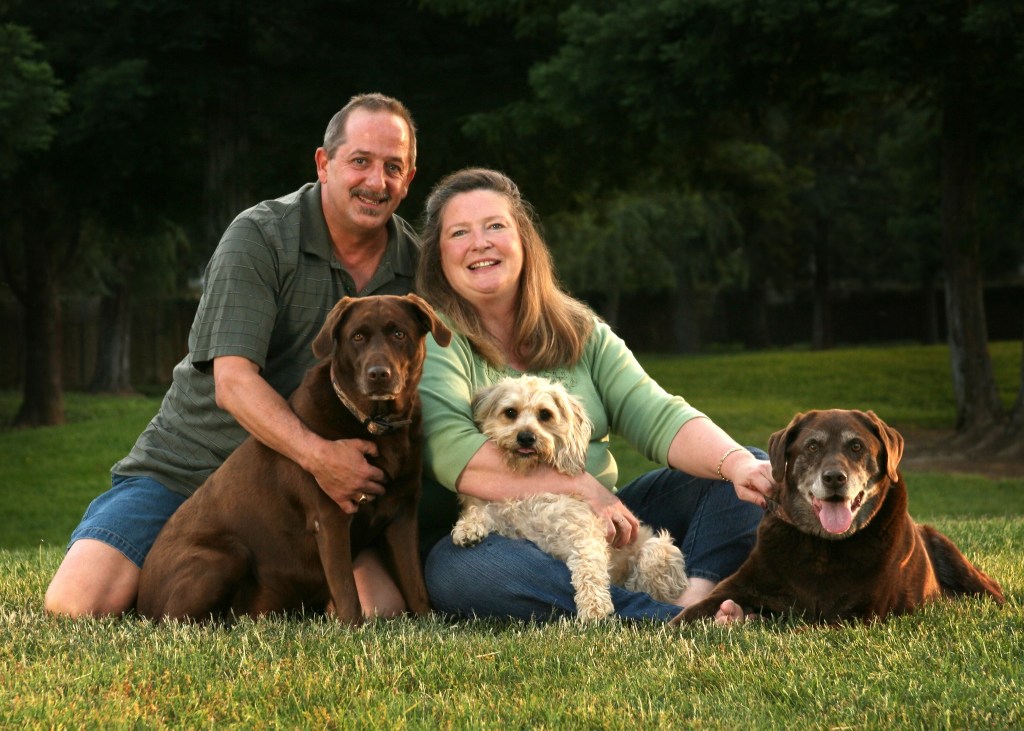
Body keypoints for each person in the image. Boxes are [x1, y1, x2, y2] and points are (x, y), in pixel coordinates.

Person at [45, 93, 420, 619]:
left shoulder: (413, 261)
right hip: (189, 466)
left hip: (304, 494)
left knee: (383, 609)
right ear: (324, 163)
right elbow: (233, 382)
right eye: (360, 161)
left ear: (409, 178)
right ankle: (175, 571)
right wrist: (320, 458)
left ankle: (261, 591)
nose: (376, 182)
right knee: (78, 604)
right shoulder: (261, 236)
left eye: (393, 167)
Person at [413, 167, 775, 623]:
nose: (480, 243)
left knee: (742, 467)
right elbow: (451, 452)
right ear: (439, 256)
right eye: (459, 232)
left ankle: (696, 601)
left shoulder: (580, 330)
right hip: (499, 531)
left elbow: (657, 414)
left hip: (606, 528)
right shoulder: (436, 339)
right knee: (458, 571)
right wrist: (582, 486)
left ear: (523, 240)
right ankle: (657, 618)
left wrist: (737, 465)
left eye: (495, 226)